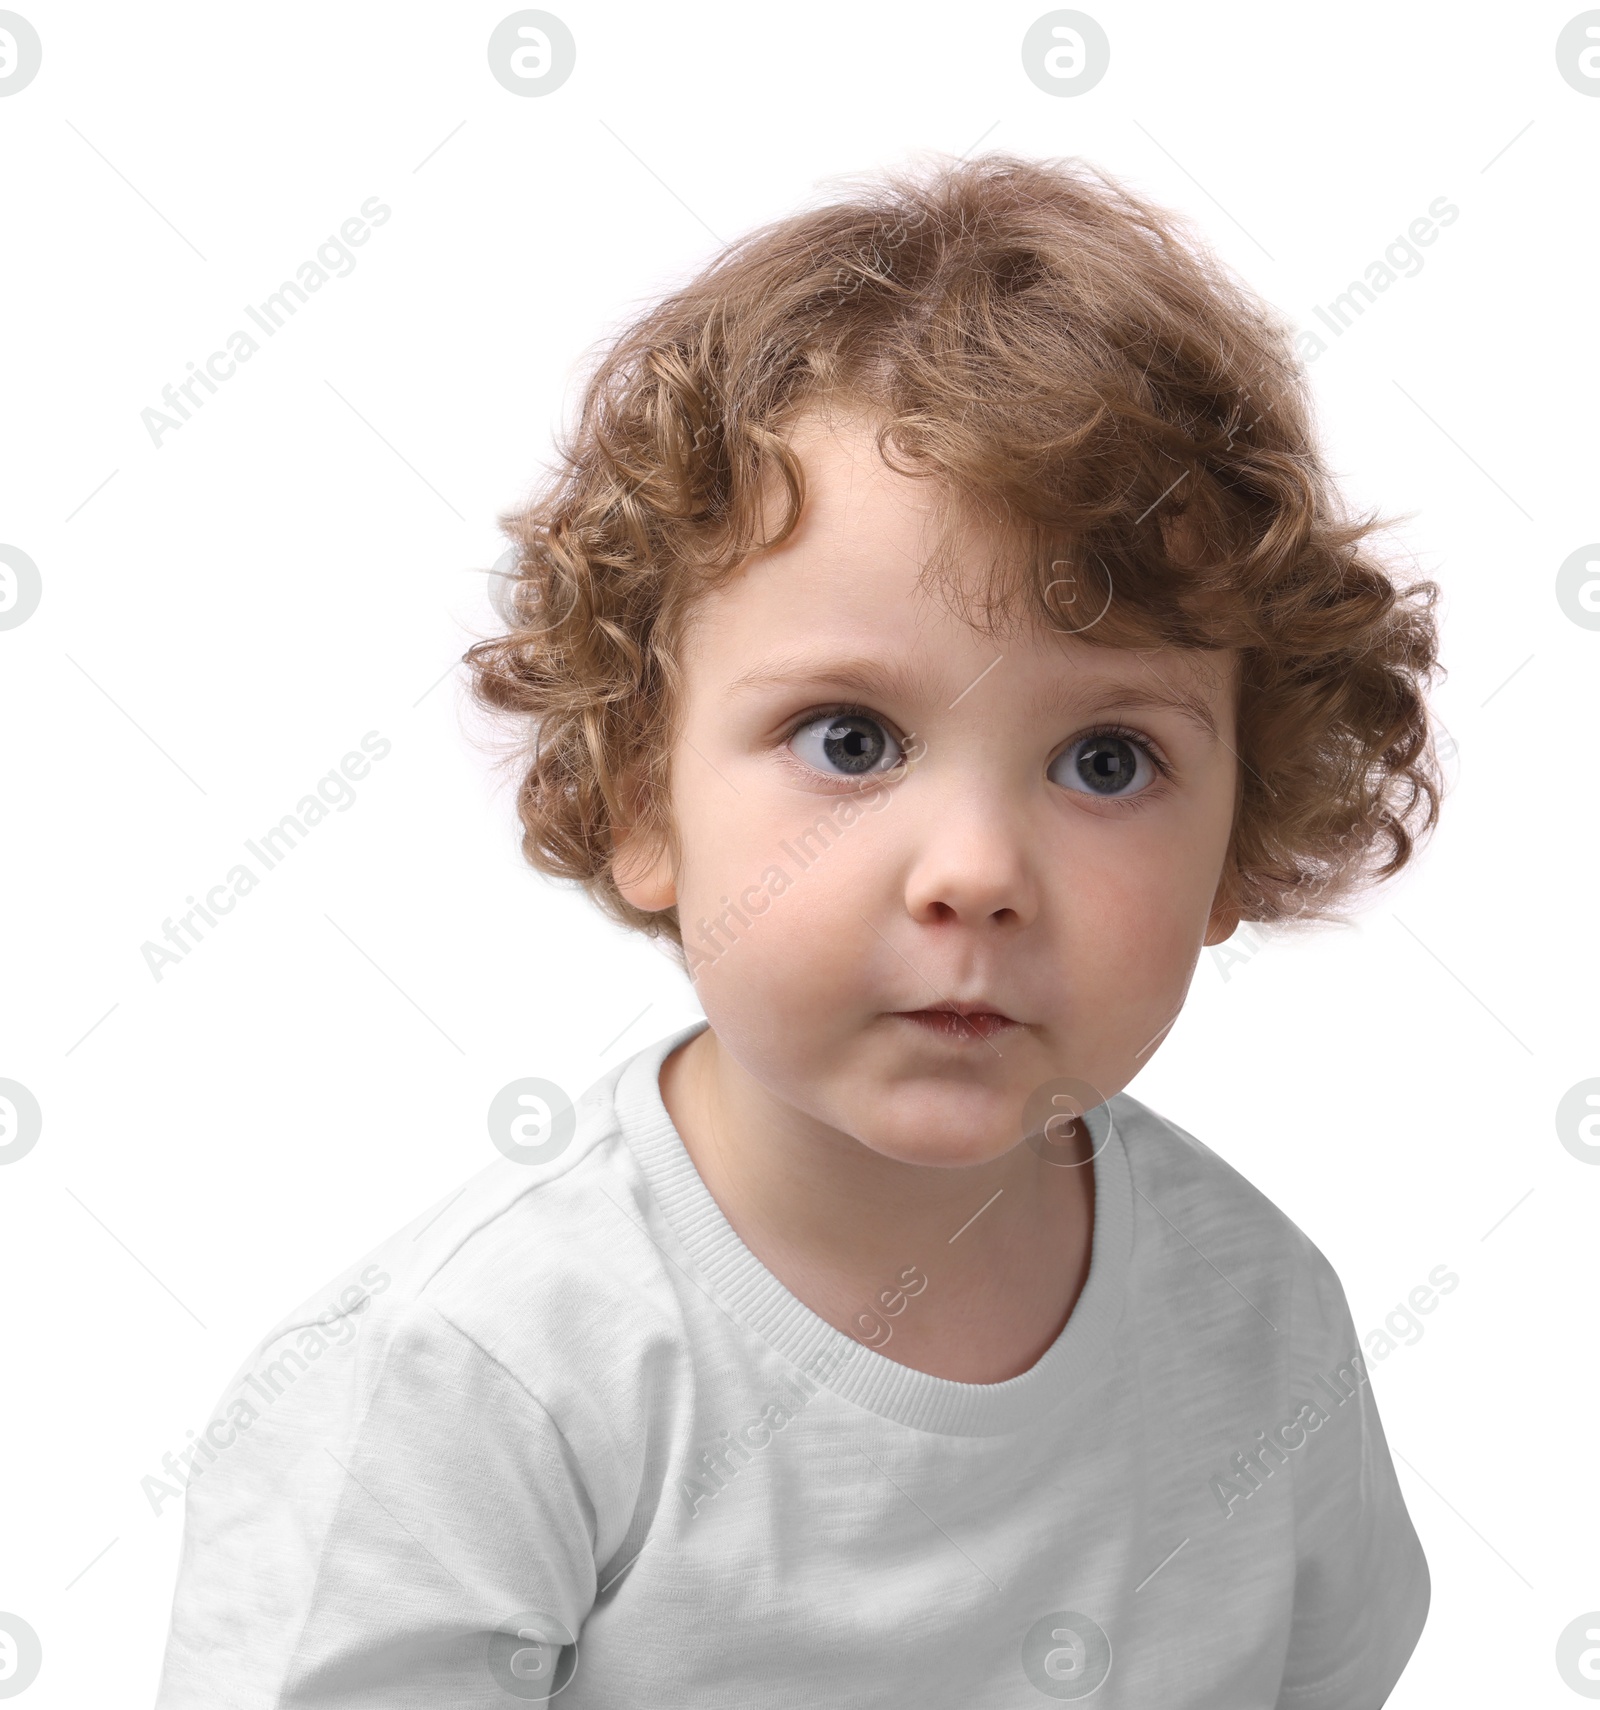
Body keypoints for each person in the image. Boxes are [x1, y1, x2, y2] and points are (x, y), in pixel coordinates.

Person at [153, 152, 1441, 1707]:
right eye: (850, 738)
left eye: (1106, 759)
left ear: (1240, 834)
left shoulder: (1259, 1326)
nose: (973, 870)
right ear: (641, 791)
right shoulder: (481, 1375)